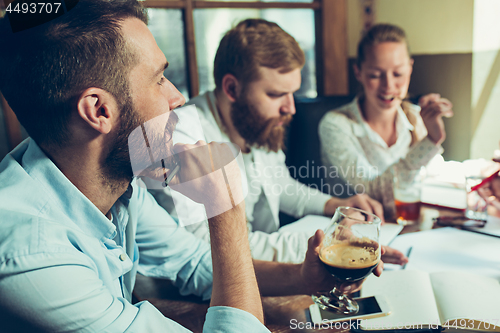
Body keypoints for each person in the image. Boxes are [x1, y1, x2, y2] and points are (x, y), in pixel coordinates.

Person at [0, 1, 380, 331]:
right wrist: (225, 207)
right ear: (99, 110)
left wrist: (304, 276)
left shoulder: (115, 185)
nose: (178, 97)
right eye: (159, 79)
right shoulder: (34, 256)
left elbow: (195, 264)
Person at [148, 19, 406, 265]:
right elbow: (208, 250)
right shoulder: (179, 139)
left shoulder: (255, 123)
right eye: (276, 94)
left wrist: (336, 205)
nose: (290, 108)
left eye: (292, 93)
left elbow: (280, 186)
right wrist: (330, 242)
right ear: (232, 89)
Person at [319, 23, 453, 220]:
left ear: (410, 68)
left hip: (410, 227)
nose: (389, 86)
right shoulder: (335, 125)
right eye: (375, 75)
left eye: (398, 74)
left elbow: (433, 176)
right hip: (354, 232)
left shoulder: (416, 118)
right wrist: (432, 141)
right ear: (359, 73)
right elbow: (374, 191)